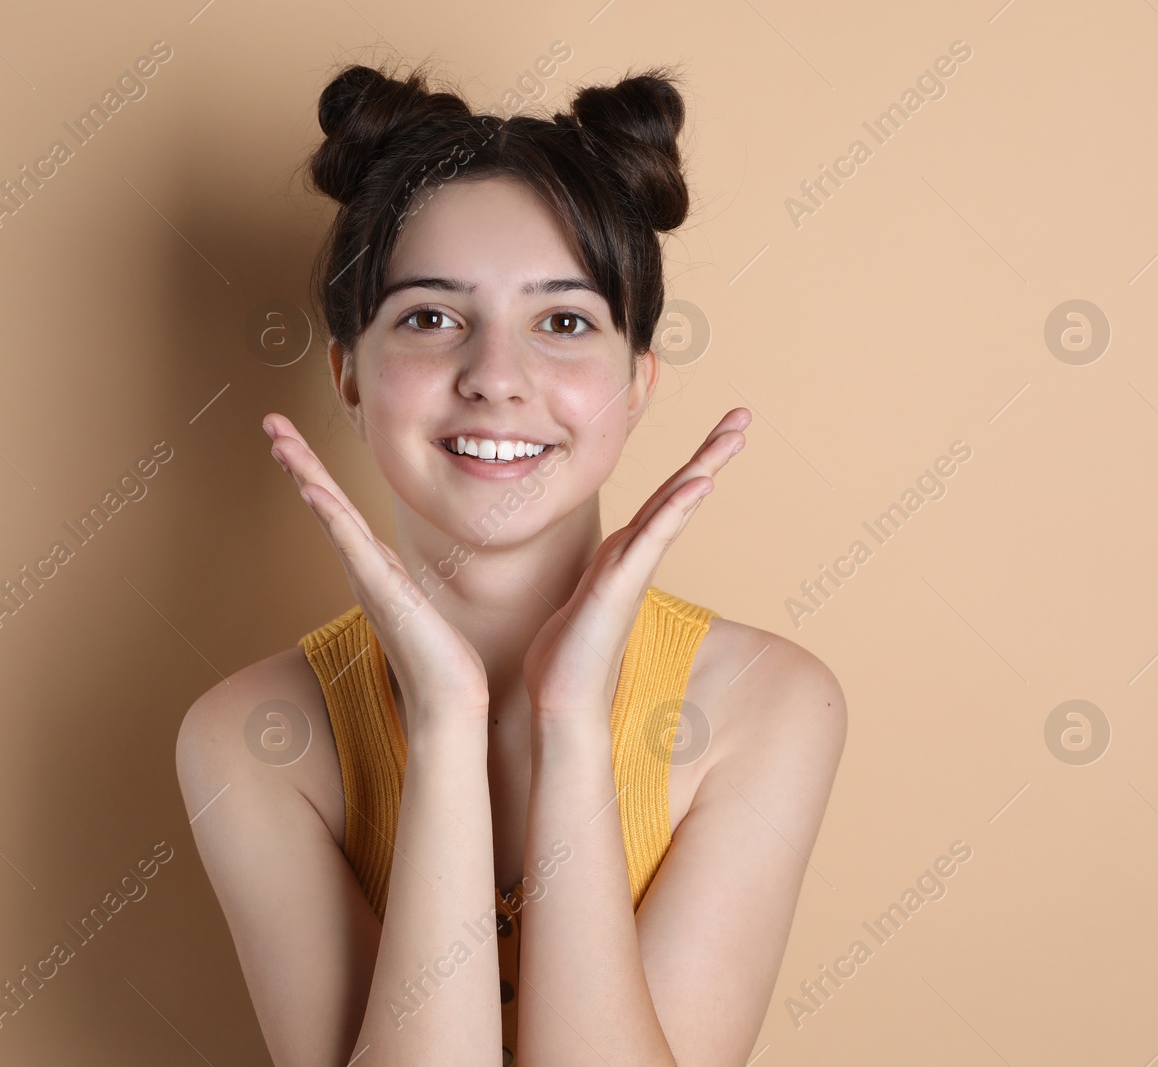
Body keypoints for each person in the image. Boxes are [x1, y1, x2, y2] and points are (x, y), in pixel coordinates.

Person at [176, 58, 846, 1067]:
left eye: (564, 321)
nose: (495, 376)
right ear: (348, 375)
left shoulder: (769, 704)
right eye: (432, 316)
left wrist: (569, 722)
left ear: (637, 381)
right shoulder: (246, 737)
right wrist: (447, 727)